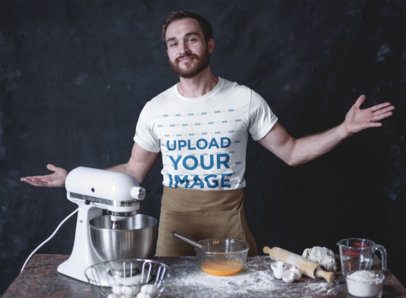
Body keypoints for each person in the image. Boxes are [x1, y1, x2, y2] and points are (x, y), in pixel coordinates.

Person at [21, 10, 394, 256]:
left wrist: (345, 129)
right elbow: (134, 171)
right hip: (173, 225)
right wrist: (76, 179)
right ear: (168, 52)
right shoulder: (155, 109)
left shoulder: (244, 99)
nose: (182, 48)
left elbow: (292, 152)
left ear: (209, 44)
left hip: (228, 223)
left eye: (191, 39)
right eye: (173, 43)